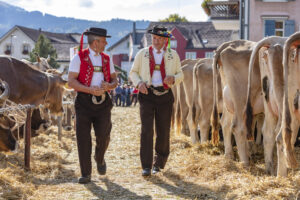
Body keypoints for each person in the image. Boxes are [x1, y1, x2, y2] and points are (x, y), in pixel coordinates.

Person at [129, 25, 183, 177]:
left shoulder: (173, 55)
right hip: (147, 94)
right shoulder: (142, 54)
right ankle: (146, 165)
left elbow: (181, 75)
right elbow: (133, 72)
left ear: (166, 40)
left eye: (159, 39)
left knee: (163, 131)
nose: (156, 41)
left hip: (165, 95)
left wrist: (174, 78)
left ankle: (159, 162)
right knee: (146, 130)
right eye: (154, 38)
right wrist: (139, 83)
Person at [68, 27, 118, 184]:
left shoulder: (107, 58)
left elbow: (115, 80)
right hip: (83, 102)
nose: (106, 43)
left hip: (103, 103)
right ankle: (86, 173)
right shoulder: (78, 58)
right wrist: (89, 89)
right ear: (96, 42)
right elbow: (71, 81)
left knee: (103, 136)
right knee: (83, 138)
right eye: (104, 41)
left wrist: (109, 86)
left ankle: (99, 158)